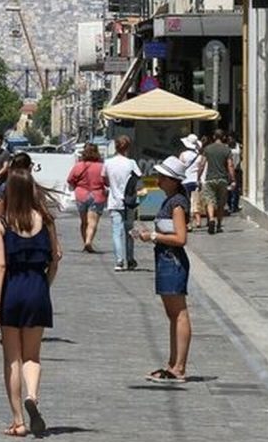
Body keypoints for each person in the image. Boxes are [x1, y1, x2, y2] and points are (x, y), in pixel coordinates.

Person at [0, 168, 60, 438]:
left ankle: (18, 421)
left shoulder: (1, 224)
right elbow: (56, 259)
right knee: (32, 356)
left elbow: (0, 265)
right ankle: (32, 396)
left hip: (12, 290)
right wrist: (44, 286)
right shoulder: (46, 220)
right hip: (37, 289)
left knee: (12, 358)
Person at [136, 157, 192, 383]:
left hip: (172, 260)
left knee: (179, 313)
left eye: (162, 176)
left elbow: (181, 238)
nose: (158, 179)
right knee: (172, 314)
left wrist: (153, 236)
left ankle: (179, 367)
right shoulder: (169, 201)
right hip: (165, 258)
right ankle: (172, 364)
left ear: (173, 180)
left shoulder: (177, 204)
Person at [103, 136, 142, 272]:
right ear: (128, 148)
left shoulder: (108, 162)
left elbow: (104, 179)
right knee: (129, 230)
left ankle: (119, 261)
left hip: (114, 201)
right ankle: (130, 259)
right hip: (129, 201)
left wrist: (113, 185)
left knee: (116, 232)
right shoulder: (131, 163)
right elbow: (139, 177)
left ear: (115, 147)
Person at [67, 144, 107, 253]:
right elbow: (107, 182)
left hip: (81, 195)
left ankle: (85, 242)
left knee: (84, 221)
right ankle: (88, 241)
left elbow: (70, 179)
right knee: (92, 221)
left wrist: (77, 185)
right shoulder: (101, 166)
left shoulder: (78, 166)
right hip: (97, 194)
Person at [200, 130, 235, 235]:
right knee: (221, 203)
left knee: (209, 201)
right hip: (222, 179)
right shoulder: (227, 149)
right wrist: (233, 179)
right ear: (223, 137)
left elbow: (202, 164)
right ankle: (219, 225)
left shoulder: (207, 149)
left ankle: (211, 219)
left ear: (214, 137)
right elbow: (230, 165)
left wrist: (198, 177)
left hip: (210, 178)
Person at [178, 134, 204, 231]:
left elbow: (180, 167)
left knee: (186, 202)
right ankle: (195, 221)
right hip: (195, 181)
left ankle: (187, 223)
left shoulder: (183, 155)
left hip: (185, 181)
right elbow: (201, 169)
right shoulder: (200, 156)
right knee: (195, 202)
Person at [227, 132, 243, 216]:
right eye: (228, 139)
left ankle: (235, 205)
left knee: (236, 189)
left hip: (237, 169)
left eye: (231, 139)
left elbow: (242, 156)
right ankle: (230, 204)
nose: (230, 140)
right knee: (228, 189)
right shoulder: (226, 147)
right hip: (228, 170)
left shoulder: (239, 146)